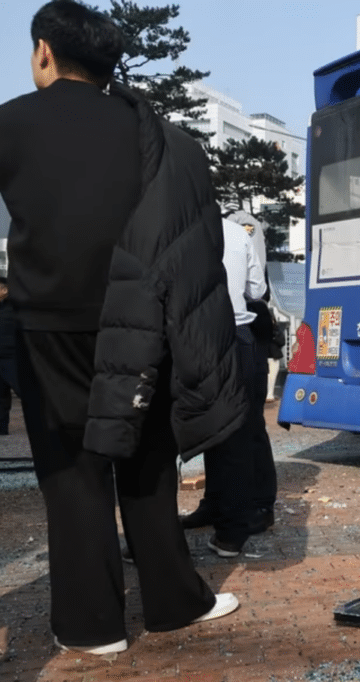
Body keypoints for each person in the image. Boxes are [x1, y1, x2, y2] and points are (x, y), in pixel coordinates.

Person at [0, 0, 246, 655]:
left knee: (71, 473)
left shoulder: (11, 123)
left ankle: (91, 627)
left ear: (45, 51)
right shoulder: (158, 135)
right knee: (147, 463)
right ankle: (172, 602)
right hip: (142, 321)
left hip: (49, 327)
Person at [179, 218, 275, 557]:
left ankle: (234, 514)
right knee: (240, 429)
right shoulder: (237, 231)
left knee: (213, 429)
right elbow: (257, 290)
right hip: (238, 338)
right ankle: (230, 520)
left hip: (194, 340)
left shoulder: (172, 228)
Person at [0, 276, 18, 435]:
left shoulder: (14, 308)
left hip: (13, 358)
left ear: (4, 290)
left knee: (26, 393)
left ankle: (46, 427)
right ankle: (1, 428)